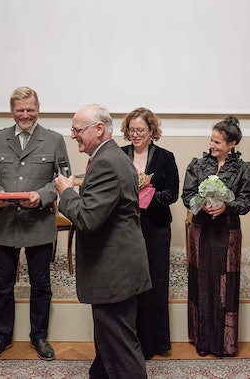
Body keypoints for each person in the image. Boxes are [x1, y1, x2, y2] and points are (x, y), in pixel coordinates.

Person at [54, 104, 151, 378]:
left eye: (77, 129)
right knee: (110, 345)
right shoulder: (112, 157)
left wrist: (67, 192)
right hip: (116, 271)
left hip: (114, 273)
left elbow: (87, 218)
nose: (73, 136)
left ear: (99, 129)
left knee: (121, 350)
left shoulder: (107, 162)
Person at [0, 86, 69, 364]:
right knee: (3, 286)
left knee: (41, 285)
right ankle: (2, 337)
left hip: (39, 224)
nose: (25, 115)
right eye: (20, 110)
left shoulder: (54, 140)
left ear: (38, 109)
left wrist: (44, 196)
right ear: (12, 111)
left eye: (30, 109)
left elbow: (63, 179)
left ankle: (39, 336)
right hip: (4, 224)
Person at [181, 115, 250, 358]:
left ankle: (223, 343)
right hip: (201, 231)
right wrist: (200, 204)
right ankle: (202, 340)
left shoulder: (245, 169)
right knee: (202, 282)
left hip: (227, 232)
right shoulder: (197, 165)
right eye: (211, 140)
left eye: (218, 142)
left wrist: (227, 206)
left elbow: (247, 201)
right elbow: (187, 195)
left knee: (226, 284)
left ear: (232, 143)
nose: (212, 145)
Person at [118, 107, 180, 359]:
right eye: (131, 130)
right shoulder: (120, 155)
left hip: (155, 229)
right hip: (125, 228)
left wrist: (146, 197)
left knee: (154, 284)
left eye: (140, 130)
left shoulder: (165, 157)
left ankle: (152, 343)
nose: (135, 135)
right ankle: (127, 341)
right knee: (128, 285)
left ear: (152, 131)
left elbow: (172, 194)